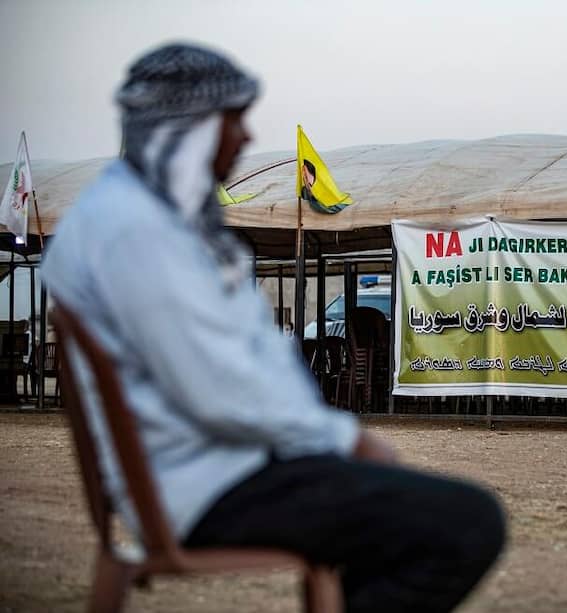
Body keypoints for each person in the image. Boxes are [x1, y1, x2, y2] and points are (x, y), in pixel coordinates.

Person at [41, 43, 504, 613]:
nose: (247, 138)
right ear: (186, 128)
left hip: (215, 469)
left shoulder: (126, 216)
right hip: (211, 485)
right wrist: (346, 440)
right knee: (467, 523)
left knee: (395, 523)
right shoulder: (136, 234)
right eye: (233, 119)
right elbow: (216, 390)